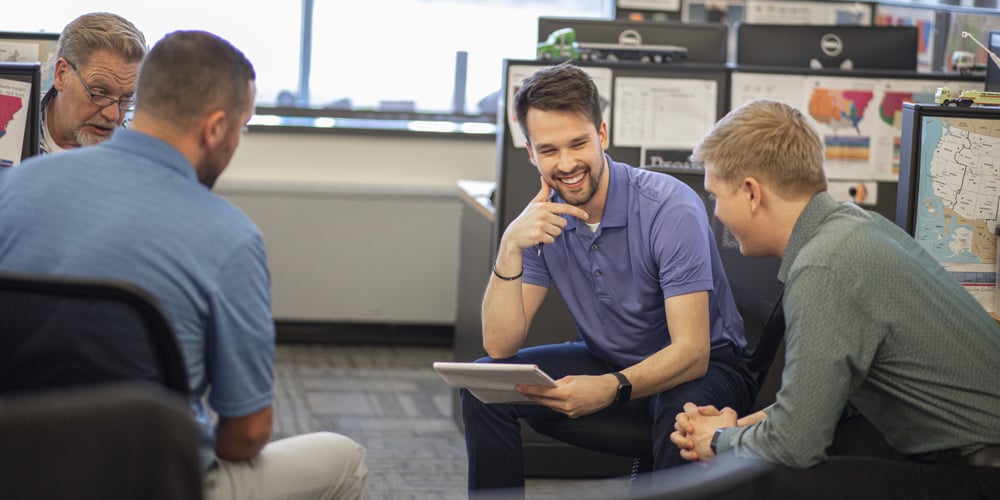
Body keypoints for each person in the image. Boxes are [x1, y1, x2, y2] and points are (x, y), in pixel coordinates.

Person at [0, 31, 367, 500]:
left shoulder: (17, 184)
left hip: (18, 469)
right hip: (152, 482)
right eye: (242, 127)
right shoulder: (230, 237)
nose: (237, 141)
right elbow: (246, 434)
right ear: (216, 129)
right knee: (344, 458)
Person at [670, 99, 1000, 499]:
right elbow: (820, 401)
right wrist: (735, 429)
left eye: (715, 196)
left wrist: (719, 442)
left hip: (979, 473)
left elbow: (793, 446)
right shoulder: (852, 226)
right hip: (957, 448)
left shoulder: (824, 266)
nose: (716, 213)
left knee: (758, 475)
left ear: (752, 192)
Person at [462, 62, 757, 494]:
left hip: (704, 366)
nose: (566, 164)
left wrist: (610, 388)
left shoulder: (667, 207)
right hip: (610, 360)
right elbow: (499, 345)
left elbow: (692, 352)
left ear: (602, 135)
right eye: (548, 151)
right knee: (483, 386)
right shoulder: (544, 221)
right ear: (531, 153)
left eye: (577, 143)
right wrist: (510, 246)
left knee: (682, 414)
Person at [39, 12, 146, 154]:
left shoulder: (135, 154)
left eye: (125, 99)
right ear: (61, 75)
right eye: (99, 93)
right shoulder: (11, 127)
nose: (113, 115)